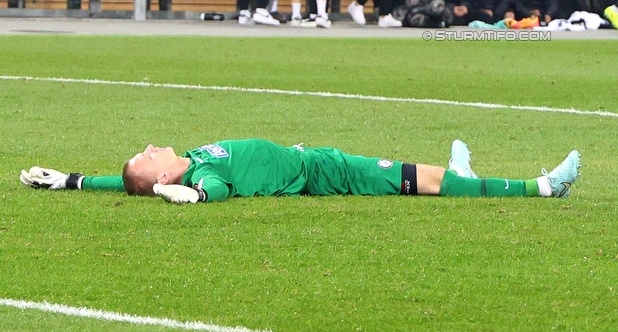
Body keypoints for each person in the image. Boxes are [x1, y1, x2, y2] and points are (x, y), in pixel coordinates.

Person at [20, 139, 582, 202]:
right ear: (164, 180)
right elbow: (212, 192)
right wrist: (188, 199)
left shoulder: (186, 161)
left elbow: (124, 185)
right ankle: (540, 187)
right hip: (325, 173)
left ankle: (460, 171)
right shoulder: (196, 180)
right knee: (427, 182)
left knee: (429, 173)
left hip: (319, 159)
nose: (149, 147)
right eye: (146, 157)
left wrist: (71, 180)